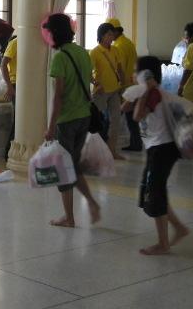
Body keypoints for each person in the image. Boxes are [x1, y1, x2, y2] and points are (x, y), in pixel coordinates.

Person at [43, 13, 101, 228]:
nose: (48, 35)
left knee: (63, 168)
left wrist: (50, 127)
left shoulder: (60, 58)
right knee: (73, 165)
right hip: (84, 116)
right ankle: (92, 202)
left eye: (50, 31)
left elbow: (59, 96)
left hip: (67, 120)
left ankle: (69, 217)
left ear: (55, 33)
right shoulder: (82, 52)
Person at [133, 56, 189, 255]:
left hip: (162, 149)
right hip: (158, 148)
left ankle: (163, 244)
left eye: (136, 71)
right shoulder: (151, 92)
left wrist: (145, 91)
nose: (134, 74)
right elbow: (126, 108)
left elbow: (137, 116)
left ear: (145, 74)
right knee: (157, 191)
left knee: (156, 193)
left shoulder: (153, 94)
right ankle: (179, 228)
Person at [90, 23, 126, 160]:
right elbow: (88, 72)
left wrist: (122, 86)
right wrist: (96, 83)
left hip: (115, 90)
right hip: (101, 92)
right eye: (109, 34)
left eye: (112, 34)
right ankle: (94, 151)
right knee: (95, 121)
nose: (112, 37)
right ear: (102, 35)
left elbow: (120, 69)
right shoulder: (95, 52)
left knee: (116, 121)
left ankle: (111, 151)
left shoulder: (115, 50)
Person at [108, 18, 143, 152]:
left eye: (110, 33)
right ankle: (136, 142)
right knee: (131, 116)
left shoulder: (119, 46)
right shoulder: (128, 42)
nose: (109, 36)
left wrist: (117, 85)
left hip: (125, 86)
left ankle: (134, 143)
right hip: (132, 83)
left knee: (122, 116)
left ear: (116, 31)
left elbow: (119, 68)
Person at [1, 35, 17, 160]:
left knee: (21, 120)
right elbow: (3, 64)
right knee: (19, 120)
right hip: (16, 84)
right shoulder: (15, 43)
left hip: (28, 86)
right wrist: (10, 87)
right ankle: (8, 153)